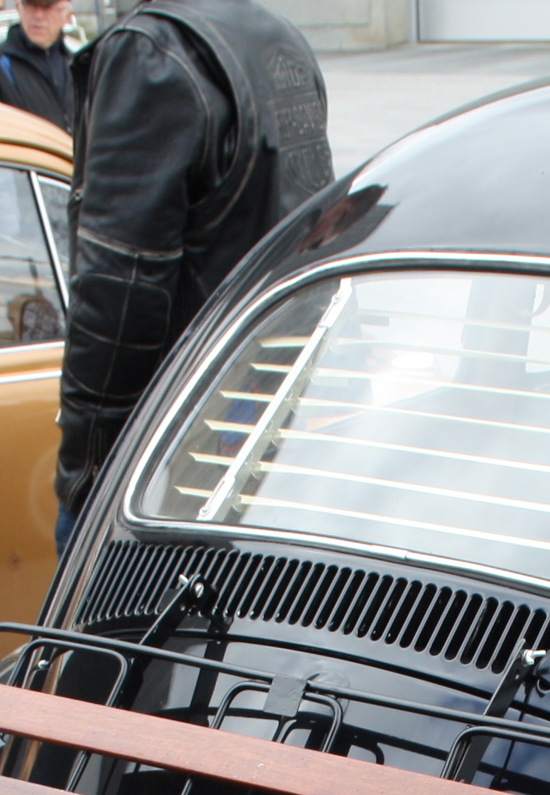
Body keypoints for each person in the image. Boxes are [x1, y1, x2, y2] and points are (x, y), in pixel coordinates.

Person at [54, 0, 331, 545]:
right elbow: (320, 238)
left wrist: (87, 475)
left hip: (167, 455)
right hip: (268, 432)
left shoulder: (152, 54)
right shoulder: (279, 38)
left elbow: (119, 291)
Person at [0, 0, 77, 130]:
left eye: (47, 7)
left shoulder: (77, 65)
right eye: (31, 6)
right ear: (19, 8)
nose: (38, 15)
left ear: (66, 15)